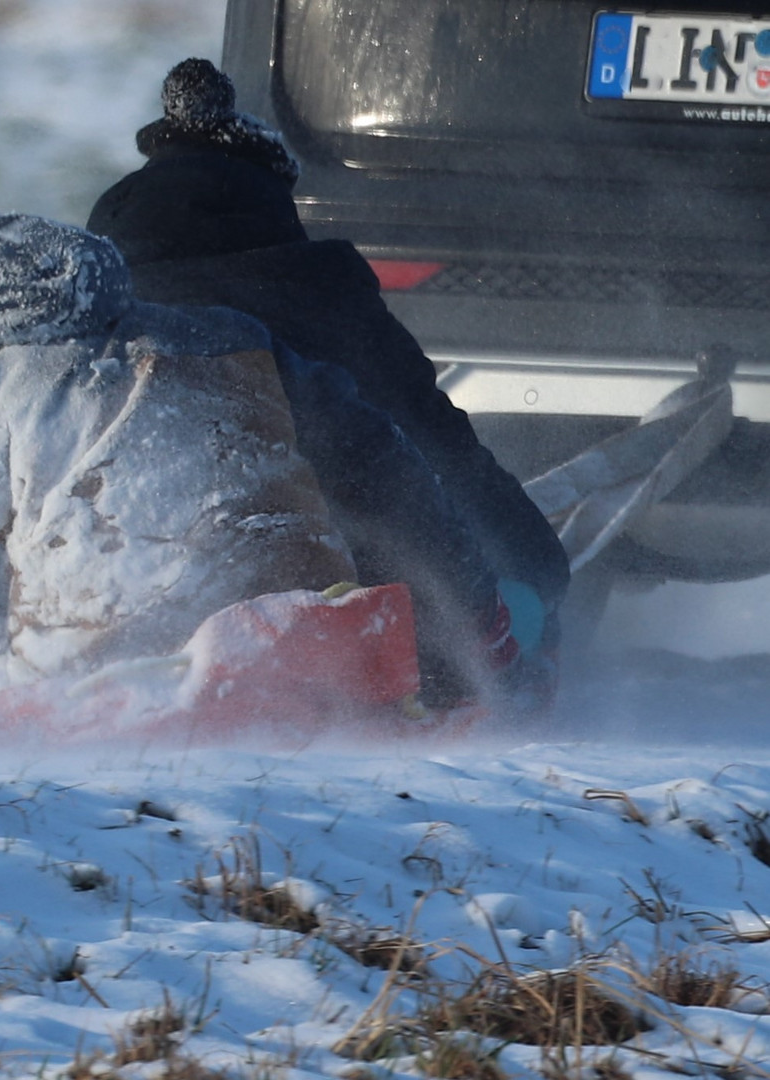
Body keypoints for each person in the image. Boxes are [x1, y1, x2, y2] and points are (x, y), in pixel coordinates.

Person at [0, 164, 521, 708]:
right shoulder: (215, 337)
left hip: (96, 694)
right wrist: (480, 631)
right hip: (310, 646)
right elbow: (379, 466)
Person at [85, 59, 569, 692]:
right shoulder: (319, 296)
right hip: (320, 606)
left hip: (115, 606)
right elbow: (434, 454)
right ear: (266, 195)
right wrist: (536, 566)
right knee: (518, 597)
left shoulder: (103, 320)